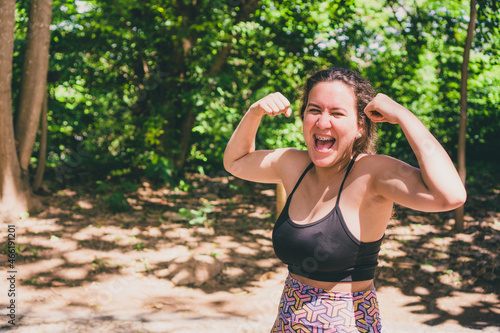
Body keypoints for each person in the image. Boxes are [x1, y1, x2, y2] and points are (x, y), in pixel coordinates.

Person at [223, 67, 466, 332]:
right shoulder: (294, 165)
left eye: (337, 113)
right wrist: (254, 113)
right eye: (314, 110)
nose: (322, 122)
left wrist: (405, 117)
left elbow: (450, 195)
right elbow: (236, 162)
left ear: (361, 126)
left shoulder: (372, 173)